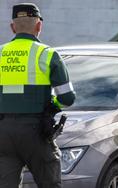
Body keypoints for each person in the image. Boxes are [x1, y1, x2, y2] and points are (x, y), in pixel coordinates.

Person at [0, 3, 75, 188]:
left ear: (12, 27)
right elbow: (67, 98)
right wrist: (53, 103)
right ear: (39, 26)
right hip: (36, 132)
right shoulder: (48, 54)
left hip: (3, 133)